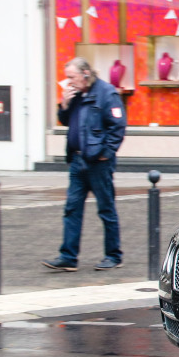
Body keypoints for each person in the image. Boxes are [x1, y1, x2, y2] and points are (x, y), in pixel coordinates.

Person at [43, 57, 127, 272]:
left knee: (106, 209)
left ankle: (114, 256)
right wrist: (64, 104)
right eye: (67, 77)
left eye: (72, 77)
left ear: (86, 74)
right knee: (71, 209)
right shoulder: (76, 95)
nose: (68, 82)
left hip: (99, 164)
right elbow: (65, 120)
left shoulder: (107, 93)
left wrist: (105, 154)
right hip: (77, 161)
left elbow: (117, 127)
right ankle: (68, 257)